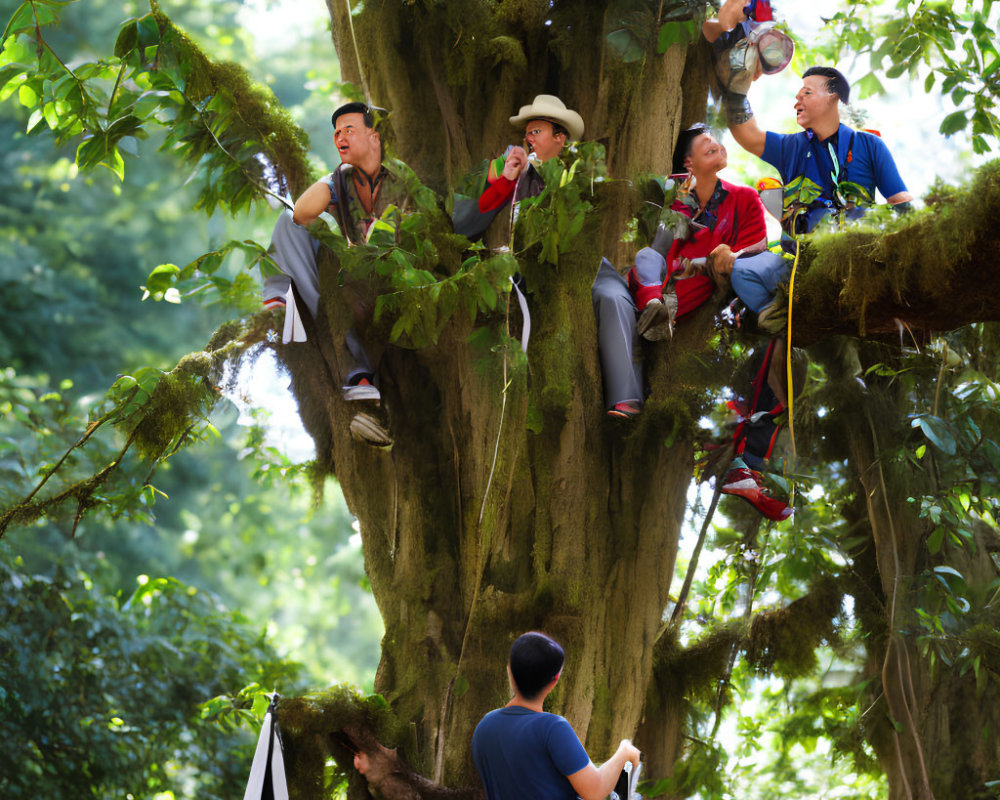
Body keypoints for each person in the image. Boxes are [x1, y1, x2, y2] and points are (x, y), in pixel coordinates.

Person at [592, 125, 793, 521]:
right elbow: (653, 251)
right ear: (687, 162)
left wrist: (719, 263)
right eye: (706, 144)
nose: (717, 144)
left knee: (776, 343)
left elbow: (750, 257)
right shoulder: (669, 196)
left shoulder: (744, 198)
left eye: (718, 141)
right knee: (622, 281)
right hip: (642, 291)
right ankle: (634, 373)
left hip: (692, 302)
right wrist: (678, 205)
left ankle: (750, 464)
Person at [705, 0, 912, 320]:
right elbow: (748, 136)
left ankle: (800, 306)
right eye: (798, 93)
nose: (797, 99)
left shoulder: (869, 146)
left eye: (808, 93)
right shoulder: (792, 147)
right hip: (799, 264)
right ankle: (781, 316)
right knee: (743, 273)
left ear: (833, 98)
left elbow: (903, 206)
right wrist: (736, 93)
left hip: (852, 257)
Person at [261, 101, 414, 410]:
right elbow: (302, 213)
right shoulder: (342, 182)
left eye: (349, 130)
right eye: (336, 132)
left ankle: (360, 376)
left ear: (375, 137)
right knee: (290, 220)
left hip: (394, 288)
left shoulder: (404, 185)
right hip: (348, 283)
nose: (340, 138)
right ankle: (278, 299)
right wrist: (335, 181)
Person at [472, 631, 640, 800]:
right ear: (555, 680)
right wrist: (623, 752)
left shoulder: (484, 727)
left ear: (509, 672)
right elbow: (594, 790)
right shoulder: (552, 728)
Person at [454, 95, 584, 246]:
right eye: (527, 133)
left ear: (559, 138)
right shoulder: (514, 172)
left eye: (536, 132)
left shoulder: (575, 179)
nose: (529, 138)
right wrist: (507, 179)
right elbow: (465, 222)